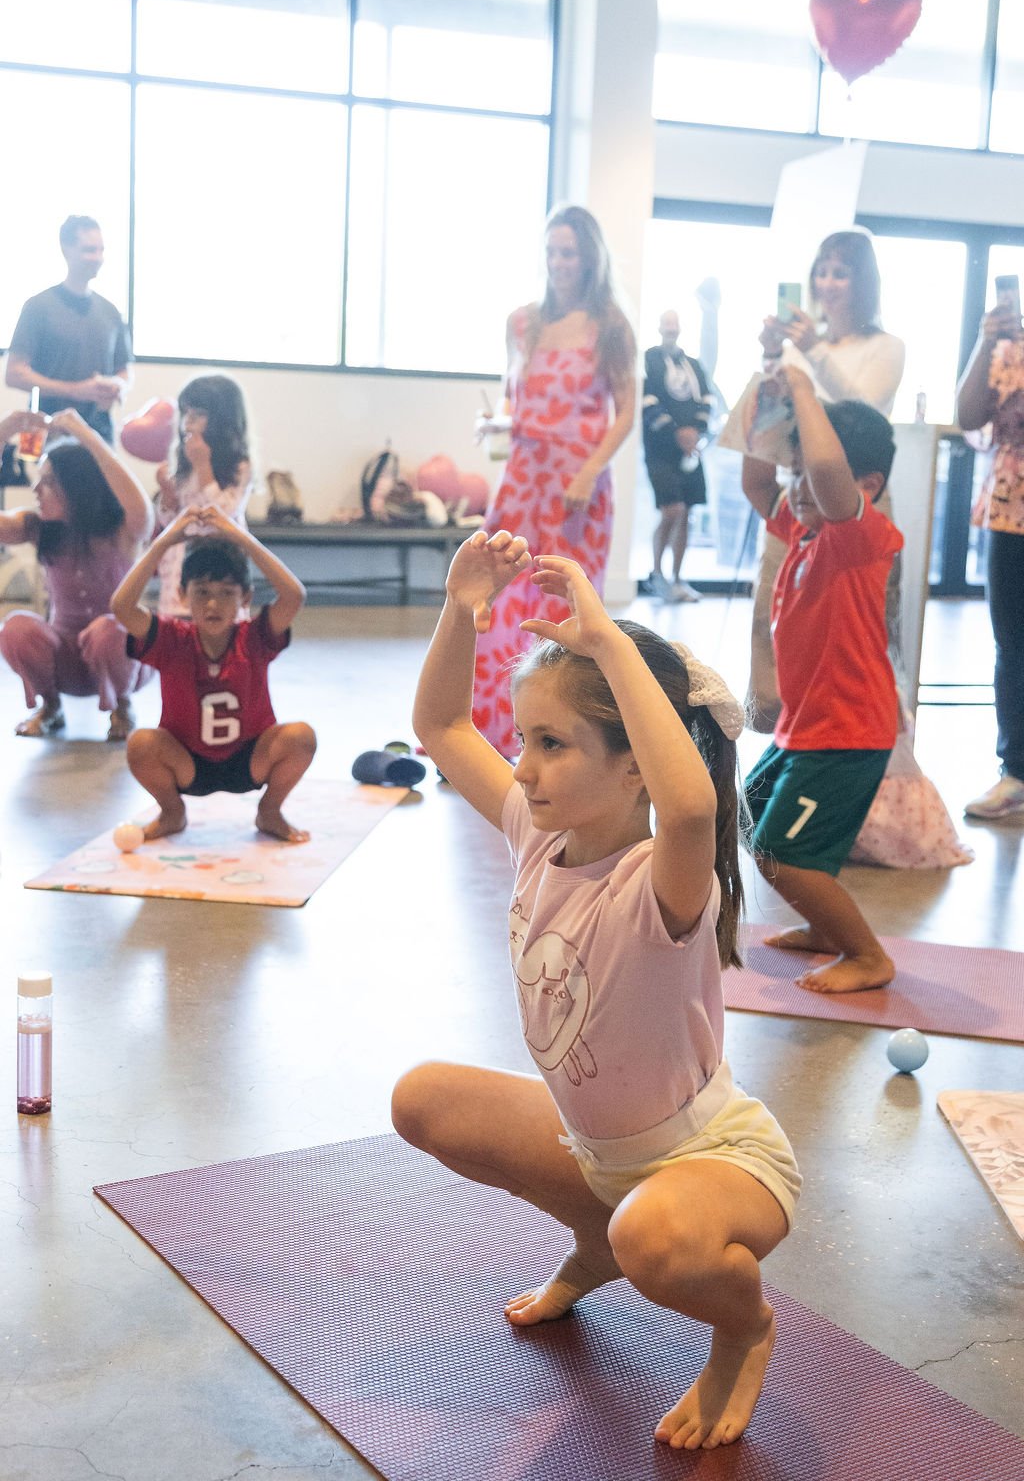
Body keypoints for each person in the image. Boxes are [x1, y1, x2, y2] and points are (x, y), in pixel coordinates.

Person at [394, 530, 800, 1453]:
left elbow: (691, 807)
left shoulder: (664, 881)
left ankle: (743, 1327)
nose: (522, 766)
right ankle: (596, 1236)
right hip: (600, 1151)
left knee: (653, 1238)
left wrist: (610, 643)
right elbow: (442, 728)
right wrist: (459, 608)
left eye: (552, 744)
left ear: (634, 766)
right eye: (524, 740)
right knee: (422, 1100)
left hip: (717, 1162)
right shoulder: (535, 834)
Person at [741, 367, 902, 994]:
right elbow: (757, 478)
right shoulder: (803, 529)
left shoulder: (859, 537)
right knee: (752, 816)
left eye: (810, 471)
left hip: (847, 731)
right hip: (805, 726)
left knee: (784, 853)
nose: (797, 484)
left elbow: (832, 478)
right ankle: (824, 925)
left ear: (869, 487)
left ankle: (866, 955)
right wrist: (768, 399)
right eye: (796, 469)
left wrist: (807, 394)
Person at [472, 204, 636, 758]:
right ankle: (490, 730)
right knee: (498, 592)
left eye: (569, 253)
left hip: (577, 488)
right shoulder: (522, 322)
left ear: (590, 258)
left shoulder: (610, 325)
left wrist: (590, 471)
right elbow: (512, 398)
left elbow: (626, 412)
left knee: (565, 601)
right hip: (524, 478)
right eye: (551, 252)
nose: (559, 262)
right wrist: (495, 422)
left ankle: (560, 736)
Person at [750, 230, 905, 731]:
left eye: (841, 272)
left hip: (853, 496)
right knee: (772, 611)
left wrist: (811, 352)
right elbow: (776, 418)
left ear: (864, 282)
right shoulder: (799, 347)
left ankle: (854, 726)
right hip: (798, 494)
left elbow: (864, 407)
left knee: (853, 626)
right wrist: (772, 358)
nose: (828, 283)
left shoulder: (886, 346)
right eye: (822, 272)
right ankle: (775, 725)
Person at [110, 507, 315, 843]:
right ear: (182, 594)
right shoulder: (171, 640)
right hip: (187, 763)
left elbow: (294, 595)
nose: (213, 605)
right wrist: (164, 542)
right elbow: (121, 606)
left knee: (300, 737)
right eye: (202, 592)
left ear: (245, 598)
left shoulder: (255, 638)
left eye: (226, 593)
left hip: (250, 759)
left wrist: (242, 538)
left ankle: (270, 810)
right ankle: (172, 811)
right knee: (141, 744)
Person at [0, 408, 154, 739]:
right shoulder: (38, 528)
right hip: (66, 664)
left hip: (125, 657)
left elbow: (141, 506)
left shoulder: (123, 530)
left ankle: (122, 707)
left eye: (48, 481)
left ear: (78, 486)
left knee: (109, 630)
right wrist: (3, 432)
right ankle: (50, 707)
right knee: (15, 627)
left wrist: (85, 434)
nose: (36, 489)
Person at [956, 293, 1024, 820]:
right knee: (1013, 643)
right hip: (1012, 508)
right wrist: (986, 340)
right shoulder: (1010, 345)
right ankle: (1017, 772)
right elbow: (969, 415)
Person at [5, 216, 131, 444]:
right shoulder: (38, 307)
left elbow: (124, 371)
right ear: (66, 249)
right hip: (46, 429)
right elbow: (14, 374)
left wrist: (117, 386)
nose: (98, 258)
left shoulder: (111, 312)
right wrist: (75, 390)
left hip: (99, 433)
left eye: (101, 250)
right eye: (89, 250)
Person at [153, 375, 253, 618]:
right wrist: (166, 494)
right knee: (179, 625)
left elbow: (224, 512)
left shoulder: (239, 466)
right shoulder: (183, 465)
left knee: (218, 623)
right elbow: (170, 521)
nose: (187, 422)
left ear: (222, 420)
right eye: (185, 413)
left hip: (219, 560)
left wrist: (203, 466)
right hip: (181, 560)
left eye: (198, 414)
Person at [641, 309, 714, 602]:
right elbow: (647, 401)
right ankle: (657, 575)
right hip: (660, 451)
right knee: (672, 510)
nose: (671, 328)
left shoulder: (693, 364)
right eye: (666, 323)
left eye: (675, 323)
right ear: (660, 327)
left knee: (687, 512)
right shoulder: (650, 360)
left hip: (691, 452)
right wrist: (676, 432)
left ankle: (678, 578)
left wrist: (696, 432)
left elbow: (707, 399)